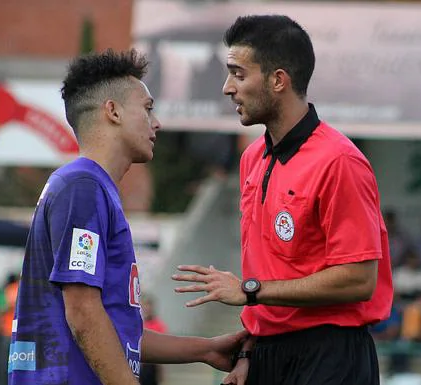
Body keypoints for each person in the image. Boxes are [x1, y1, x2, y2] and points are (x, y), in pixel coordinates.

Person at [172, 15, 393, 385]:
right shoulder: (251, 158)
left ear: (278, 80)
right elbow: (267, 266)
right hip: (266, 354)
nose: (228, 88)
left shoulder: (340, 161)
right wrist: (248, 353)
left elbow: (358, 280)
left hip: (330, 353)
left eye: (239, 74)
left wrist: (249, 290)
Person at [8, 49, 247, 385]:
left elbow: (117, 332)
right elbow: (83, 312)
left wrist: (205, 349)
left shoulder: (89, 187)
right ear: (113, 111)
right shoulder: (83, 187)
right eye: (148, 109)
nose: (157, 122)